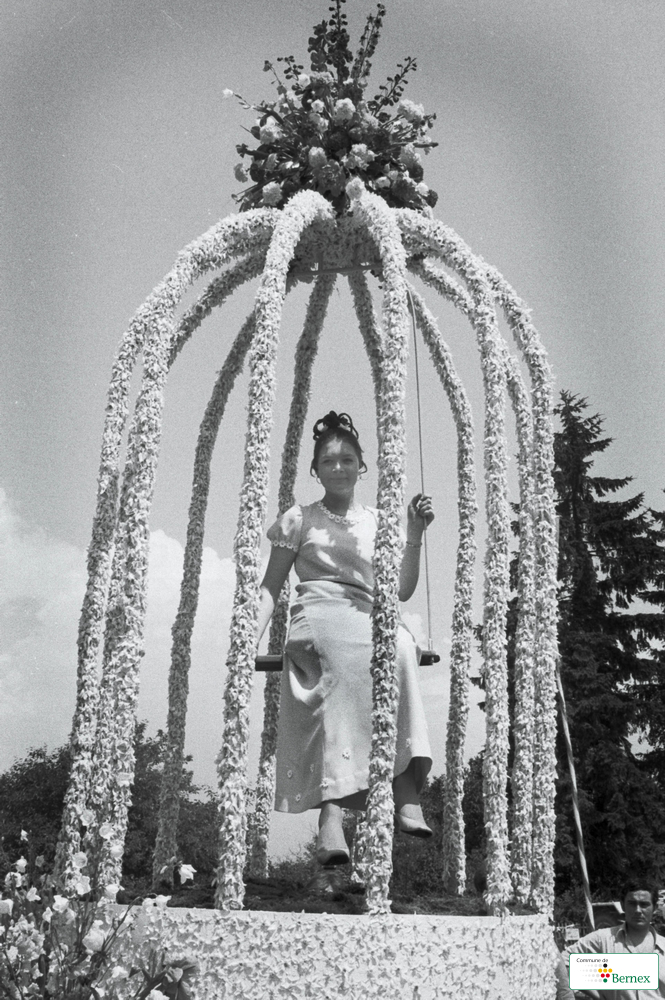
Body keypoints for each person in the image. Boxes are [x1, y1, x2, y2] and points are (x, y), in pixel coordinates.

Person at [257, 411, 434, 866]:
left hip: (367, 611)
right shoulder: (300, 519)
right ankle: (330, 816)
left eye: (347, 460)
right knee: (336, 660)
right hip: (318, 611)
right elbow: (271, 587)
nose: (338, 468)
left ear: (361, 466)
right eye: (329, 461)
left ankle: (405, 788)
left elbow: (400, 590)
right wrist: (247, 638)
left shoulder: (377, 520)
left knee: (400, 647)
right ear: (316, 469)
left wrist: (413, 534)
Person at [564, 882, 665, 999]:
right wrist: (596, 994)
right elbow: (562, 961)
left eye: (644, 904)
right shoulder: (602, 940)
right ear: (622, 905)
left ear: (655, 908)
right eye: (632, 904)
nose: (638, 910)